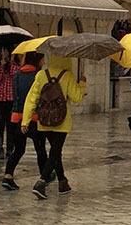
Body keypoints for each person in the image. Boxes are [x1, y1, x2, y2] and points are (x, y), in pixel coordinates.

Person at [22, 56, 86, 200]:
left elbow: (32, 98)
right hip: (61, 121)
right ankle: (42, 181)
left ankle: (63, 182)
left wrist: (25, 121)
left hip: (44, 120)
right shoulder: (67, 75)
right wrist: (82, 83)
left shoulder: (41, 75)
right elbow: (76, 97)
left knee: (56, 152)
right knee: (55, 151)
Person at [2, 52, 46, 190]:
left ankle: (8, 175)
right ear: (37, 60)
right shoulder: (38, 76)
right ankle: (44, 175)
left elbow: (15, 95)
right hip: (33, 117)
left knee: (19, 149)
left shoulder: (17, 74)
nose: (43, 62)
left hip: (16, 116)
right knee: (40, 148)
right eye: (42, 60)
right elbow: (37, 98)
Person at [0, 47, 16, 159]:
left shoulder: (14, 65)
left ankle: (10, 148)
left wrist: (9, 63)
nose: (3, 53)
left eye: (5, 51)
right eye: (2, 51)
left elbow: (14, 75)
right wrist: (1, 66)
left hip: (10, 98)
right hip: (0, 98)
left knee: (10, 126)